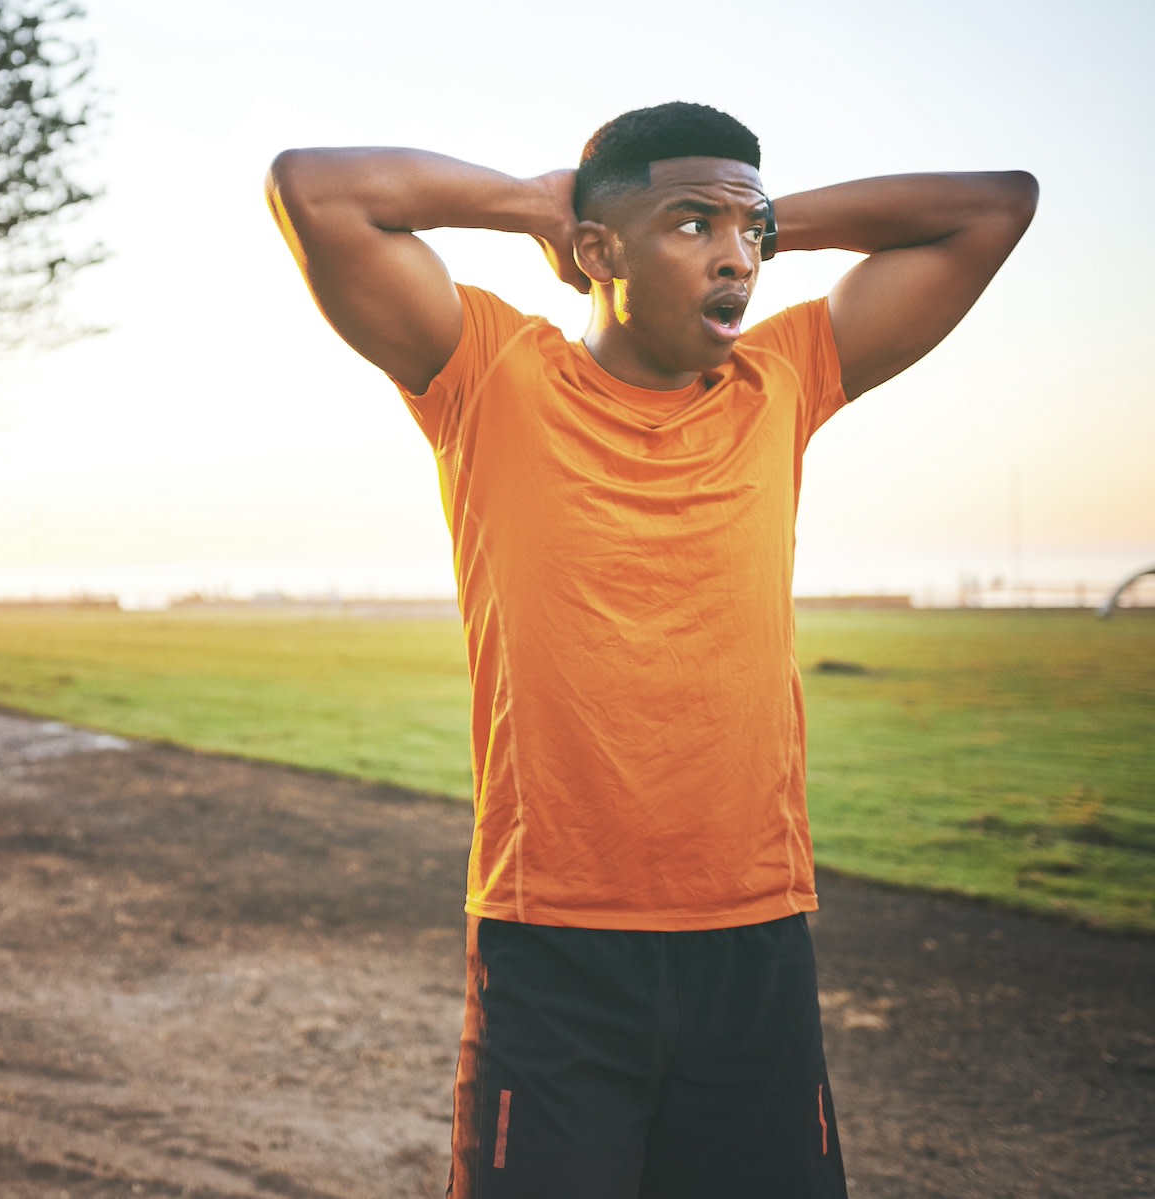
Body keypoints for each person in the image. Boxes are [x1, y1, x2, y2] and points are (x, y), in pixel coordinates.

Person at [264, 102, 1035, 1198]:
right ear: (595, 253)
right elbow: (316, 190)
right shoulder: (490, 373)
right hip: (556, 945)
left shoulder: (785, 379)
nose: (738, 259)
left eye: (749, 236)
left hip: (755, 936)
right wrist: (536, 203)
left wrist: (748, 219)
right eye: (691, 226)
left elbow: (993, 207)